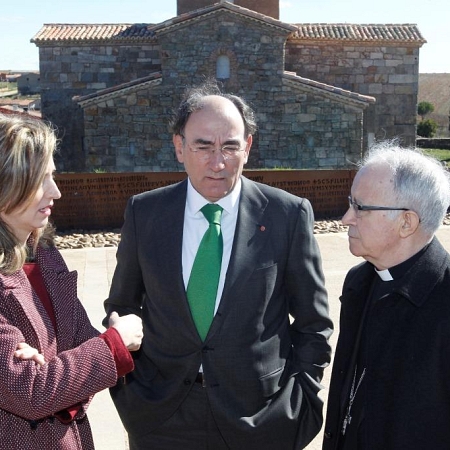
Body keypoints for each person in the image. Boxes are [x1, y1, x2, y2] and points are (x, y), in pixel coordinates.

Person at [103, 80, 333, 450]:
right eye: (203, 146)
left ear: (248, 147)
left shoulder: (287, 215)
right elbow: (122, 304)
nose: (218, 162)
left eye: (230, 146)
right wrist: (131, 390)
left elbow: (314, 323)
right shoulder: (144, 212)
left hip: (258, 419)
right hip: (161, 417)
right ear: (179, 147)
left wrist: (300, 396)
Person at [0, 112, 143, 450]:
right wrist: (114, 344)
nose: (57, 192)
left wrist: (59, 375)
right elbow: (31, 392)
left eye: (54, 176)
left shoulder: (45, 254)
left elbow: (78, 346)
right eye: (41, 179)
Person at [322, 142, 450, 450]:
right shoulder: (359, 281)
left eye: (360, 208)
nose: (345, 218)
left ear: (407, 222)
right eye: (350, 204)